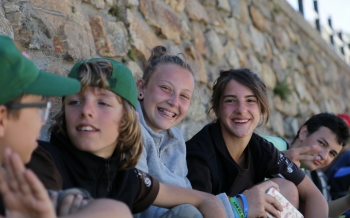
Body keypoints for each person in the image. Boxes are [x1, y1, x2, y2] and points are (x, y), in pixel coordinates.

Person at [30, 57, 226, 217]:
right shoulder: (41, 159)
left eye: (103, 103)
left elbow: (204, 199)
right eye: (74, 102)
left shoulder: (124, 177)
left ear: (128, 117)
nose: (86, 111)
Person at [135, 46, 285, 218]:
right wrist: (237, 207)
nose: (174, 101)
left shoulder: (176, 140)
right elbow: (142, 196)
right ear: (141, 87)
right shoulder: (130, 129)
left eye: (184, 96)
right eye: (165, 88)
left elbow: (189, 199)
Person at [0, 35, 132, 218]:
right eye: (39, 108)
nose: (42, 121)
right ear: (1, 120)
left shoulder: (123, 172)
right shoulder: (44, 159)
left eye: (103, 103)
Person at [186, 68, 329, 217]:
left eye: (250, 101)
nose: (241, 110)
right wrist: (242, 206)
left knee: (287, 189)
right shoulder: (200, 156)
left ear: (261, 110)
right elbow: (198, 212)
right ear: (216, 109)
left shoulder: (261, 148)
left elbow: (314, 195)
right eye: (230, 100)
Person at [279, 113, 350, 218]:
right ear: (304, 133)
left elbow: (318, 210)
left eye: (332, 153)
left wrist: (348, 201)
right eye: (321, 143)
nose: (324, 156)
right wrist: (278, 159)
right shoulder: (273, 146)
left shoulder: (309, 174)